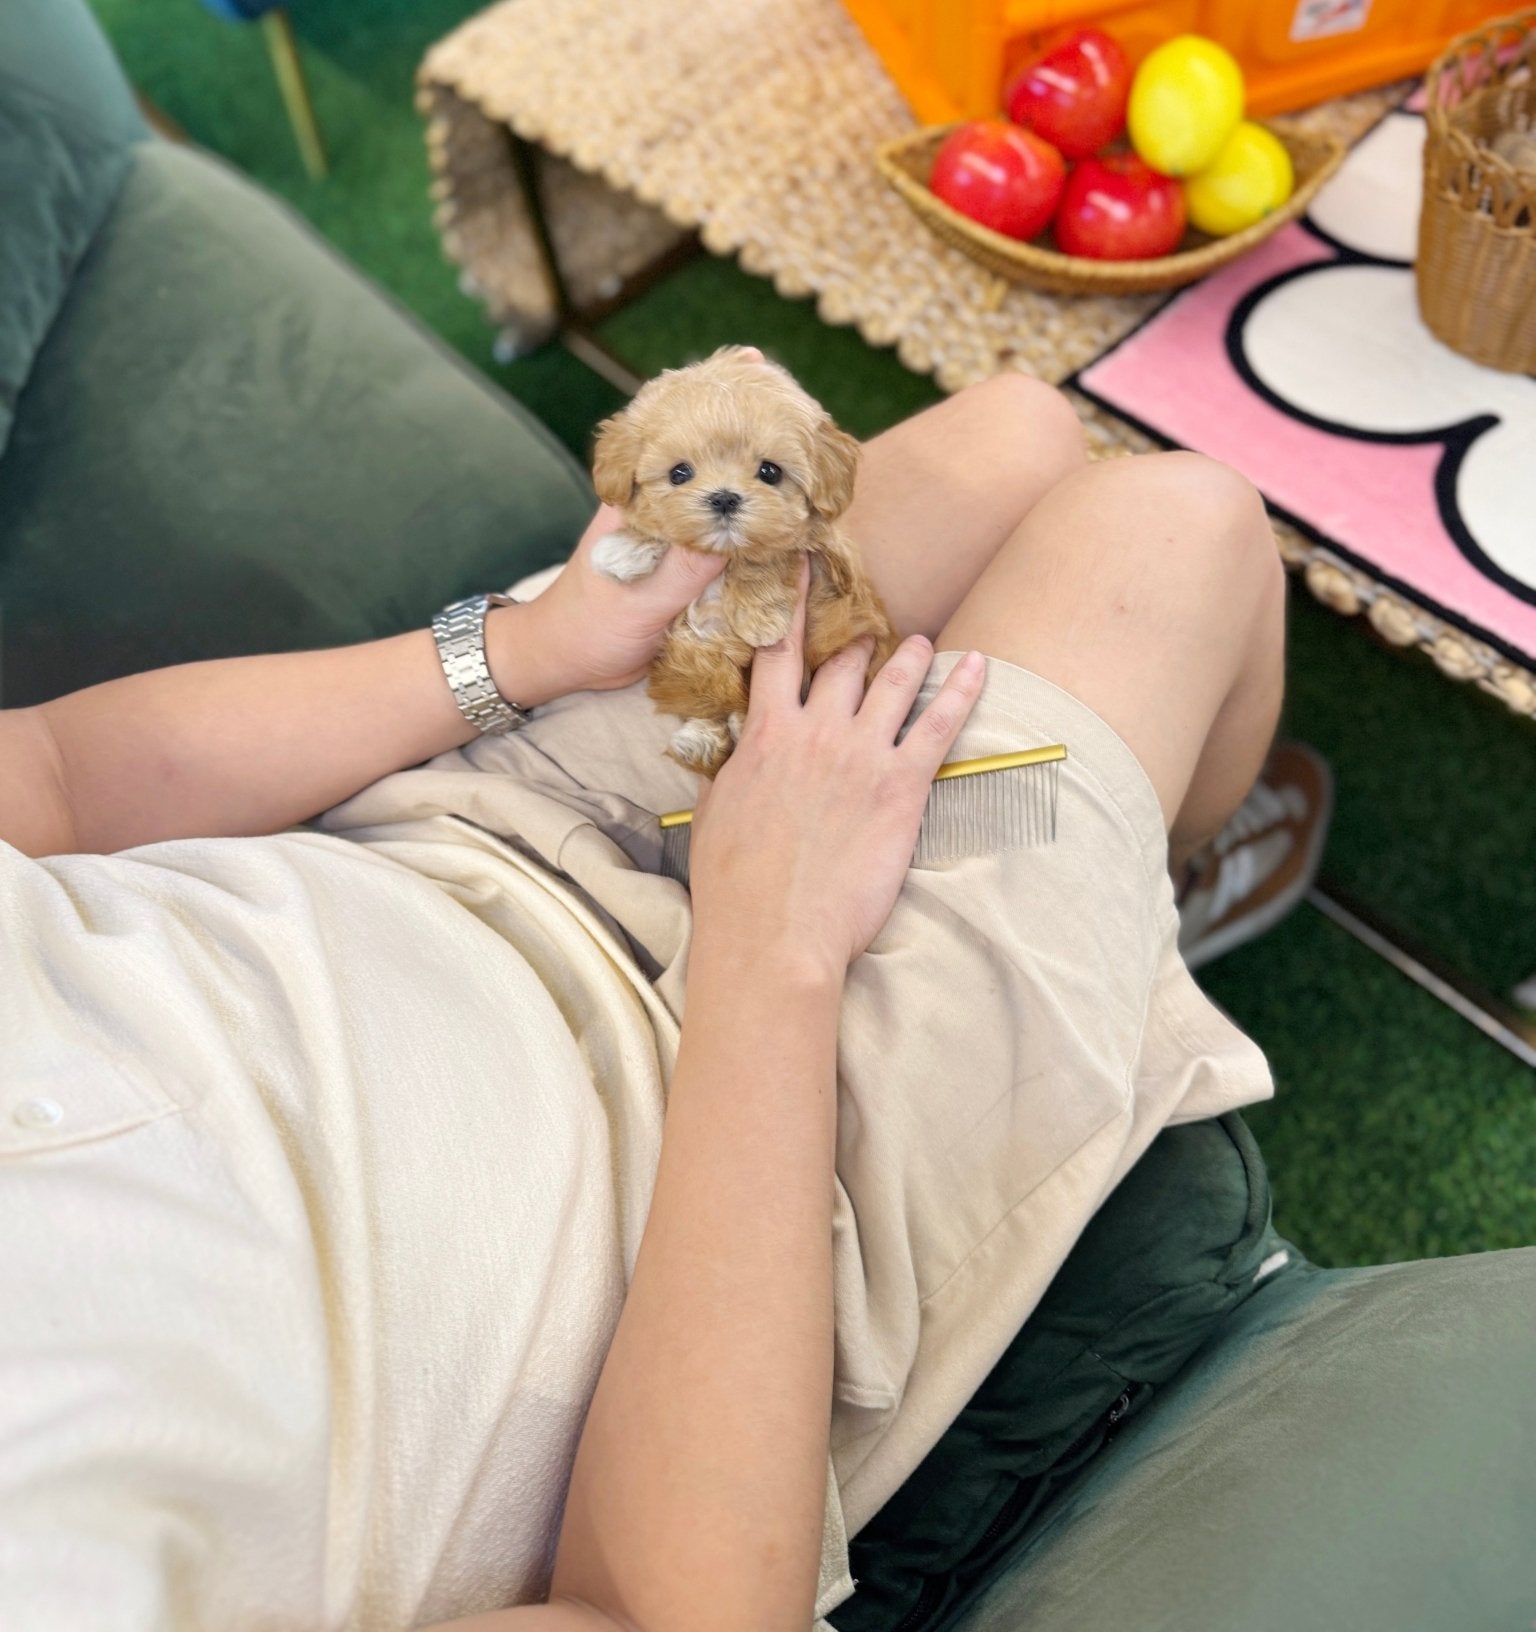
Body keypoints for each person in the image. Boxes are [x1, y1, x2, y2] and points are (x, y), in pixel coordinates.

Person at [0, 372, 1320, 1632]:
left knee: (1016, 436)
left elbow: (52, 777)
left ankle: (1124, 852)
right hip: (738, 1193)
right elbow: (655, 1615)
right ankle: (1169, 880)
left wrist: (525, 652)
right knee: (1178, 526)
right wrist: (772, 938)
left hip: (440, 837)